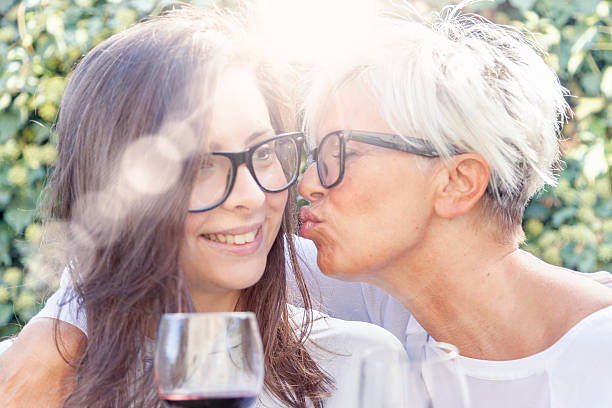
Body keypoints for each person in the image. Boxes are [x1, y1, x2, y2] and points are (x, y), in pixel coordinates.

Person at [0, 7, 404, 408]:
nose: (252, 196)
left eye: (263, 152)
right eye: (201, 164)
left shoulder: (362, 365)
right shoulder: (27, 383)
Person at [297, 5, 612, 408]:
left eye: (342, 153)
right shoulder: (381, 302)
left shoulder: (600, 355)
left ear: (457, 183)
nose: (309, 183)